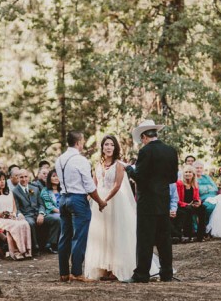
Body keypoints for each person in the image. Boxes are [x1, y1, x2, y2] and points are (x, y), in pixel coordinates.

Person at [84, 135, 159, 281]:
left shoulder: (119, 165)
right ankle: (104, 267)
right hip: (99, 203)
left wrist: (105, 200)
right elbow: (93, 184)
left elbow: (117, 185)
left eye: (112, 145)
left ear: (115, 147)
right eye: (106, 144)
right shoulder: (98, 165)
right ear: (102, 147)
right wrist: (95, 200)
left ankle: (116, 268)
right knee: (102, 234)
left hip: (114, 202)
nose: (109, 147)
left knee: (115, 233)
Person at [124, 120, 178, 283]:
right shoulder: (170, 151)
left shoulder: (145, 151)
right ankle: (167, 273)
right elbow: (173, 178)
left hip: (147, 201)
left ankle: (142, 274)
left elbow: (139, 177)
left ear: (144, 137)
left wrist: (128, 169)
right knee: (164, 239)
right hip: (163, 199)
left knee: (145, 239)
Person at [56, 130, 107, 283]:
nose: (83, 144)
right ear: (78, 143)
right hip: (77, 200)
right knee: (79, 237)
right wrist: (100, 201)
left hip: (63, 199)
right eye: (83, 141)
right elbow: (89, 186)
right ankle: (77, 273)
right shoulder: (81, 160)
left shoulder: (59, 159)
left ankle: (63, 273)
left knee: (64, 236)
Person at [12, 169, 60, 254]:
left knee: (56, 219)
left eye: (26, 177)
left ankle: (52, 244)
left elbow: (41, 204)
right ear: (18, 178)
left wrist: (41, 213)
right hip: (27, 215)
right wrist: (19, 214)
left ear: (29, 177)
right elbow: (16, 207)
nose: (24, 179)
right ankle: (35, 247)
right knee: (31, 223)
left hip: (39, 214)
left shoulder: (34, 189)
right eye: (21, 177)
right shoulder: (15, 191)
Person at [0, 171, 32, 260]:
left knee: (24, 223)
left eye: (3, 179)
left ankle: (26, 250)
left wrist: (13, 214)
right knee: (15, 226)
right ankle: (16, 252)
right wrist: (4, 215)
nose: (2, 182)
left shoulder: (9, 192)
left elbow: (14, 207)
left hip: (11, 216)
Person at [174, 166, 207, 242]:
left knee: (202, 208)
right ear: (183, 174)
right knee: (188, 209)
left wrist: (198, 202)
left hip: (192, 205)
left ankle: (200, 235)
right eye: (186, 172)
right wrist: (187, 204)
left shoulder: (195, 184)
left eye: (189, 172)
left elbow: (197, 197)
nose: (187, 174)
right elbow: (176, 199)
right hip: (181, 205)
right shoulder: (179, 183)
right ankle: (188, 235)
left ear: (193, 174)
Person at [193, 160, 218, 236]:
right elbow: (197, 190)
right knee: (210, 207)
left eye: (201, 168)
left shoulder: (206, 177)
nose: (199, 169)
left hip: (213, 197)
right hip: (201, 198)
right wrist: (208, 188)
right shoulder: (193, 178)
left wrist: (204, 188)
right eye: (197, 168)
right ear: (193, 169)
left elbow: (215, 188)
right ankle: (206, 227)